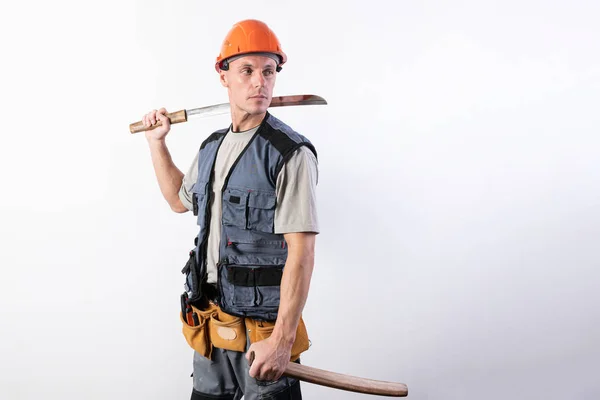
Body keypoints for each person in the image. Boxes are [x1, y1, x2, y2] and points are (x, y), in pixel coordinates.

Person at [141, 19, 319, 400]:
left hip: (264, 336)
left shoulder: (290, 153)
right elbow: (178, 199)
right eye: (247, 70)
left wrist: (283, 342)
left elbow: (302, 253)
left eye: (268, 71)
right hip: (211, 328)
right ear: (224, 77)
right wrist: (157, 143)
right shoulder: (211, 148)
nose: (260, 82)